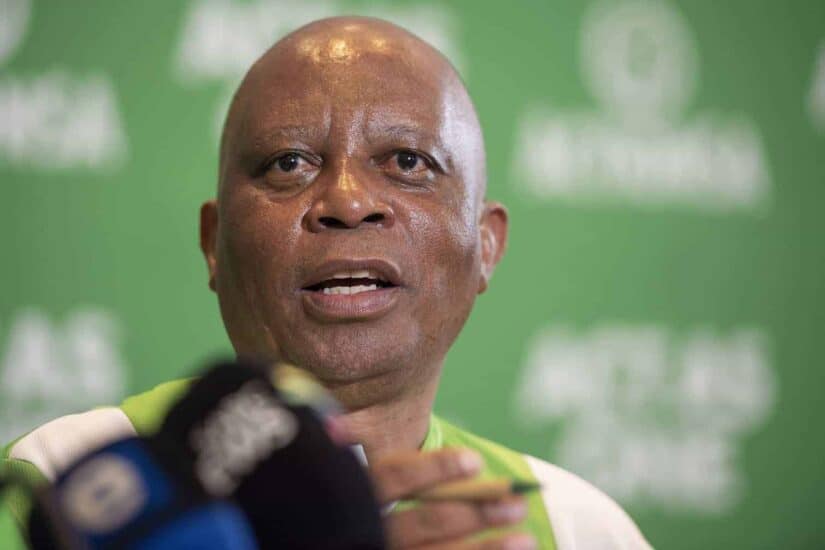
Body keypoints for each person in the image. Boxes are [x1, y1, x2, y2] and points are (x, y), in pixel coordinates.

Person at [1, 17, 651, 549]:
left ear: (485, 245)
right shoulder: (61, 484)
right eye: (288, 163)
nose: (347, 201)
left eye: (408, 161)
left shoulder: (578, 530)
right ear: (213, 243)